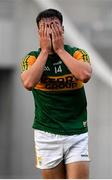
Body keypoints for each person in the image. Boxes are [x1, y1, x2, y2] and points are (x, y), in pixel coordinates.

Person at [20, 8, 92, 179]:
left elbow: (85, 75)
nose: (51, 31)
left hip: (76, 131)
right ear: (39, 31)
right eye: (46, 27)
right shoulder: (31, 58)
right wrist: (45, 51)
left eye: (55, 26)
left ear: (63, 29)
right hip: (46, 133)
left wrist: (60, 51)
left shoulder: (76, 54)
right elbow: (29, 83)